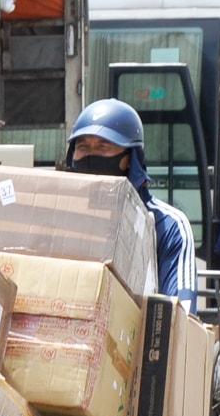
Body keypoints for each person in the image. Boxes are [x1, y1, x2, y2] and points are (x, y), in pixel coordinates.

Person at [64, 98, 191, 304]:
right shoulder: (65, 217)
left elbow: (181, 314)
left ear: (131, 159)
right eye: (83, 147)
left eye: (104, 147)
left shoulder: (168, 225)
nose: (91, 156)